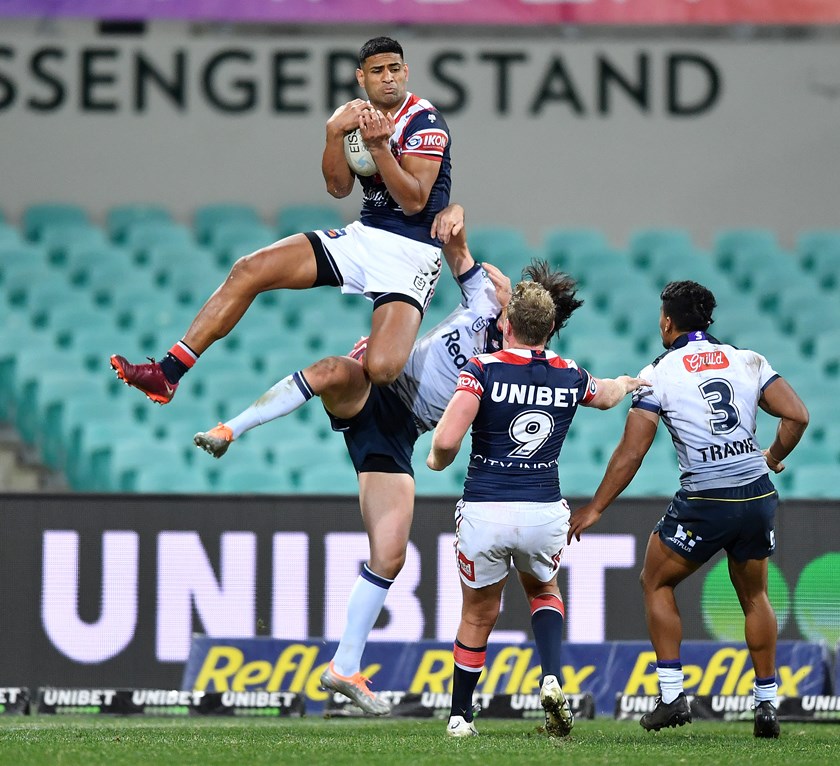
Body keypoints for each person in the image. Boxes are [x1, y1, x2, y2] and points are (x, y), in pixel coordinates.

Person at [192, 203, 508, 716]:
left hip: (400, 431)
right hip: (377, 385)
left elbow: (464, 437)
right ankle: (232, 428)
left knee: (390, 555)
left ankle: (343, 666)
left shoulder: (511, 371)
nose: (511, 309)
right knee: (332, 371)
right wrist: (455, 214)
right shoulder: (486, 301)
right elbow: (457, 249)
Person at [110, 36, 452, 403]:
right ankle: (168, 372)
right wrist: (333, 134)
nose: (388, 78)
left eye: (395, 69)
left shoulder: (424, 121)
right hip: (365, 235)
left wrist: (380, 149)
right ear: (361, 78)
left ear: (406, 72)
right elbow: (338, 188)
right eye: (378, 71)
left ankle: (375, 355)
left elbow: (414, 201)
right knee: (249, 269)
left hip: (412, 250)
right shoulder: (352, 118)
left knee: (383, 371)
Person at [567, 280, 809, 739]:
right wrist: (773, 458)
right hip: (757, 494)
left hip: (706, 499)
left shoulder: (659, 372)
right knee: (754, 596)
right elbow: (797, 415)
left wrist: (596, 508)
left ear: (667, 321)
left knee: (655, 580)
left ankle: (673, 695)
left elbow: (631, 453)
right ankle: (766, 706)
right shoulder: (748, 359)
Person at [427, 278, 647, 738]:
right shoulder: (568, 372)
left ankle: (460, 717)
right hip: (543, 510)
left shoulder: (481, 368)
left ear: (507, 324)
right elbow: (606, 396)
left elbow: (446, 440)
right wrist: (627, 382)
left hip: (486, 509)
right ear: (550, 326)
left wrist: (436, 459)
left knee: (477, 613)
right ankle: (549, 676)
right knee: (544, 591)